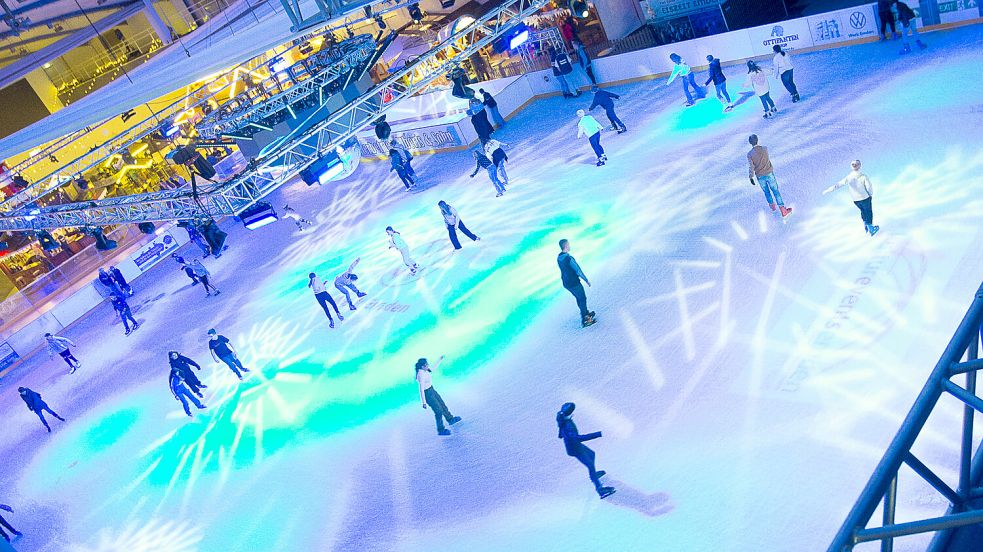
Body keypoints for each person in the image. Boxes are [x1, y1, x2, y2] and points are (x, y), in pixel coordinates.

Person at [556, 402, 616, 499]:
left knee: (592, 454)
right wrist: (599, 434)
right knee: (590, 465)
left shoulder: (560, 416)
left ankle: (594, 475)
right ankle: (600, 490)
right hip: (575, 449)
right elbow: (578, 438)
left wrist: (562, 434)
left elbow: (560, 434)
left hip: (573, 446)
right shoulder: (568, 425)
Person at [823, 160, 880, 236]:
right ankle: (871, 228)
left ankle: (866, 226)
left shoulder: (849, 177)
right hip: (865, 198)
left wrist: (828, 190)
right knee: (868, 212)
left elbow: (838, 185)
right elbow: (869, 187)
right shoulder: (863, 176)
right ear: (860, 166)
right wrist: (870, 194)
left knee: (862, 211)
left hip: (856, 200)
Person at [747, 134, 793, 219]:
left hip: (760, 176)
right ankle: (783, 210)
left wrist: (751, 177)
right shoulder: (765, 149)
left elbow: (751, 166)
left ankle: (773, 207)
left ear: (750, 142)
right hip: (769, 173)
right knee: (775, 191)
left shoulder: (749, 154)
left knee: (767, 192)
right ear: (757, 140)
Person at [415, 356, 461, 436]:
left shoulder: (426, 370)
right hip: (427, 394)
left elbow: (433, 368)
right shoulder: (421, 374)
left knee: (442, 404)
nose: (428, 365)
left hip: (432, 390)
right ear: (423, 366)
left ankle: (450, 419)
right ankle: (441, 429)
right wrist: (424, 402)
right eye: (427, 364)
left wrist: (439, 360)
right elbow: (421, 389)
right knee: (438, 411)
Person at [557, 239, 595, 327]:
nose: (569, 246)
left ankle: (585, 313)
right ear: (566, 246)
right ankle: (586, 319)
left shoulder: (559, 258)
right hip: (574, 283)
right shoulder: (569, 258)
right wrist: (586, 280)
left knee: (579, 298)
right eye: (568, 245)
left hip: (566, 283)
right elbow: (578, 270)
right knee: (582, 298)